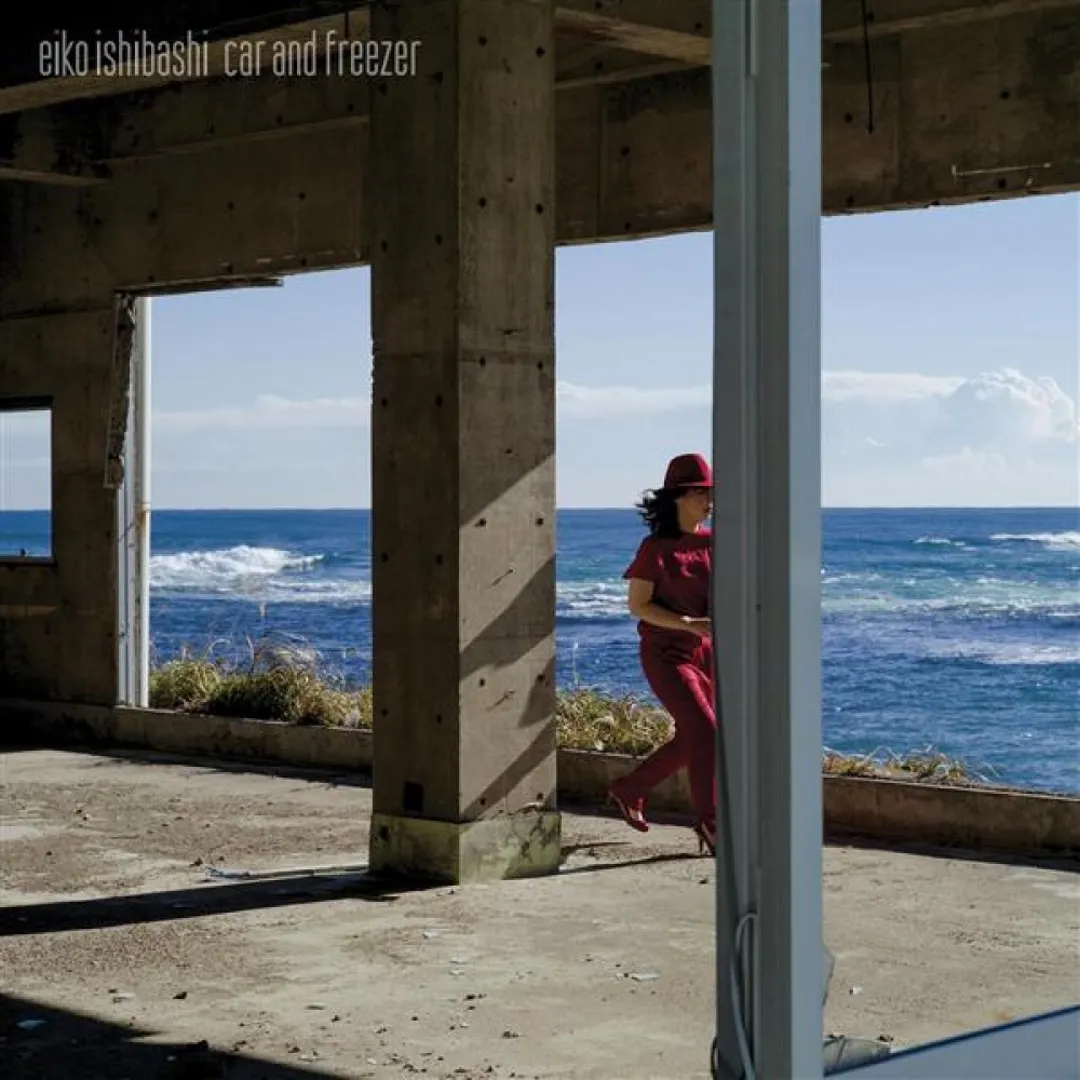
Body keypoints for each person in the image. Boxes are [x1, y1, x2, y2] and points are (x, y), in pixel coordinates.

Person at [608, 452, 717, 855]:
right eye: (699, 493)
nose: (708, 501)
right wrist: (688, 624)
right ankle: (711, 823)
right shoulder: (656, 548)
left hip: (708, 653)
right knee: (706, 733)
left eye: (710, 493)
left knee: (701, 737)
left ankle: (630, 788)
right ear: (676, 497)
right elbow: (638, 605)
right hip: (666, 653)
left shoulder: (718, 541)